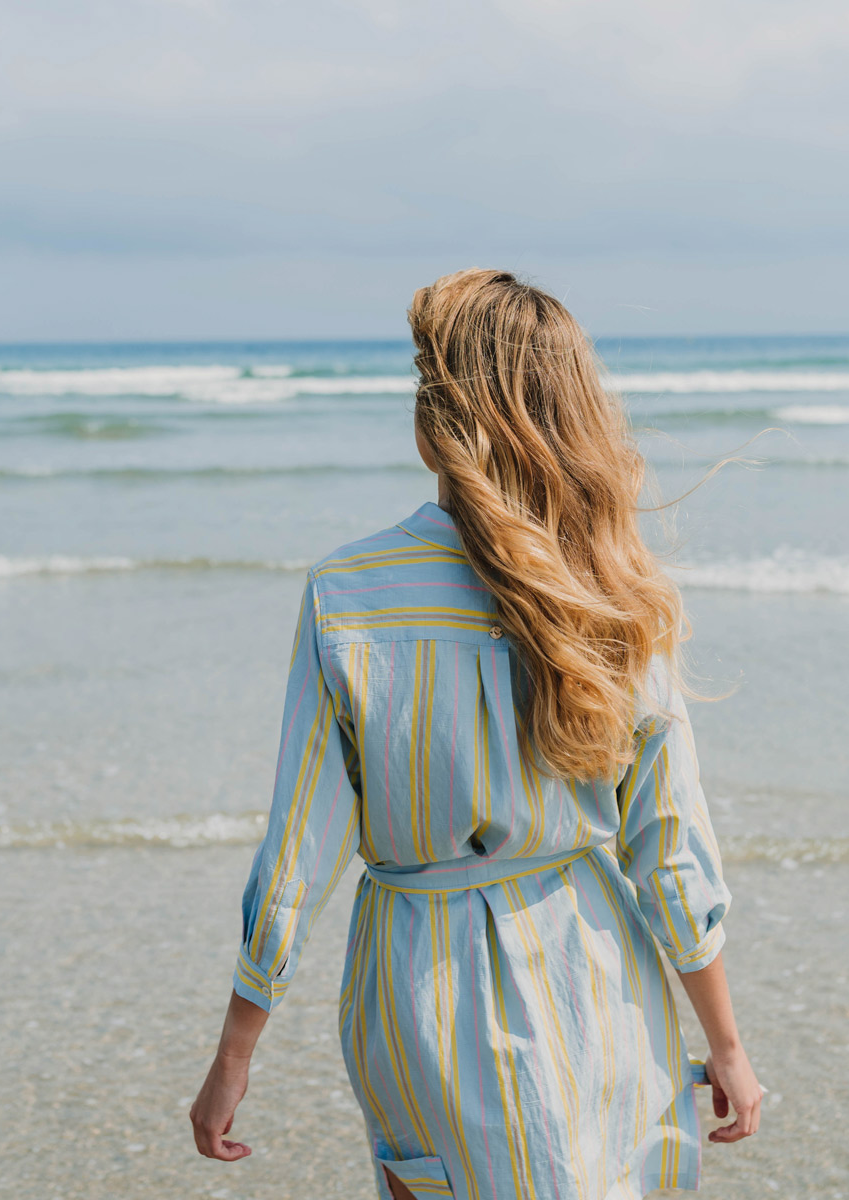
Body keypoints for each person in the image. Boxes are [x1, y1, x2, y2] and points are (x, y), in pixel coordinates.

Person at [189, 268, 763, 1200]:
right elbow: (672, 854)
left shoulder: (351, 592)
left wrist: (233, 1057)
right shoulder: (615, 585)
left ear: (436, 421)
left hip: (419, 987)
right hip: (595, 972)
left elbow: (298, 853)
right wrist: (727, 1047)